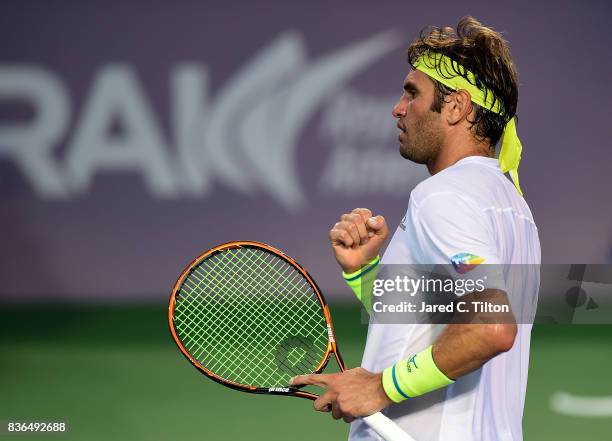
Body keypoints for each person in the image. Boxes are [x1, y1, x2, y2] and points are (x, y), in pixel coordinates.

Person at [290, 17, 541, 441]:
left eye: (412, 93)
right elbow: (439, 321)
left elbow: (490, 327)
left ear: (457, 107)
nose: (398, 108)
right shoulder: (514, 209)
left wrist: (377, 386)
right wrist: (367, 273)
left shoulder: (442, 196)